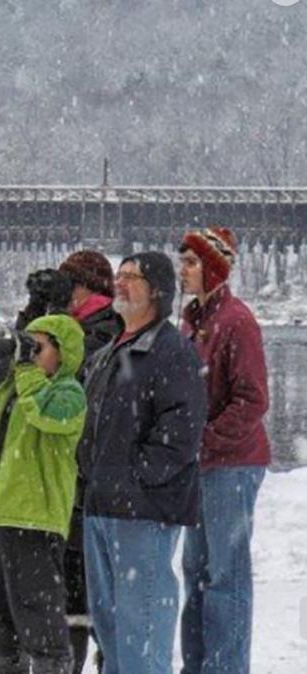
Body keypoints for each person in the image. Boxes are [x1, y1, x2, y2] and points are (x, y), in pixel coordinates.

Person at [77, 251, 207, 674]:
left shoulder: (172, 351)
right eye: (120, 275)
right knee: (111, 633)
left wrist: (134, 479)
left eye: (132, 277)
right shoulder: (111, 350)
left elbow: (181, 436)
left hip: (142, 512)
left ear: (157, 291)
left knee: (142, 635)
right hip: (99, 508)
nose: (120, 283)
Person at [0, 315, 86, 674]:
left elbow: (45, 412)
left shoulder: (69, 393)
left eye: (39, 347)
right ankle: (1, 663)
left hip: (35, 519)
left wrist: (25, 368)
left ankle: (49, 667)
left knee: (37, 611)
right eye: (28, 345)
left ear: (63, 353)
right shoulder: (9, 392)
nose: (30, 354)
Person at [178, 227, 270, 674]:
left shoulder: (237, 321)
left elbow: (253, 400)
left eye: (192, 263)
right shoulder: (191, 319)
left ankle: (226, 668)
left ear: (213, 268)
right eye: (182, 262)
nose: (183, 271)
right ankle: (197, 665)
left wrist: (206, 439)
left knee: (226, 576)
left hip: (233, 465)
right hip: (202, 465)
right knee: (194, 573)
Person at [56, 249, 122, 673]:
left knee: (92, 587)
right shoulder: (70, 328)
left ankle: (100, 660)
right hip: (71, 481)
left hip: (93, 482)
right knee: (73, 588)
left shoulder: (104, 331)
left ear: (90, 288)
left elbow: (68, 380)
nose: (65, 294)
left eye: (70, 285)